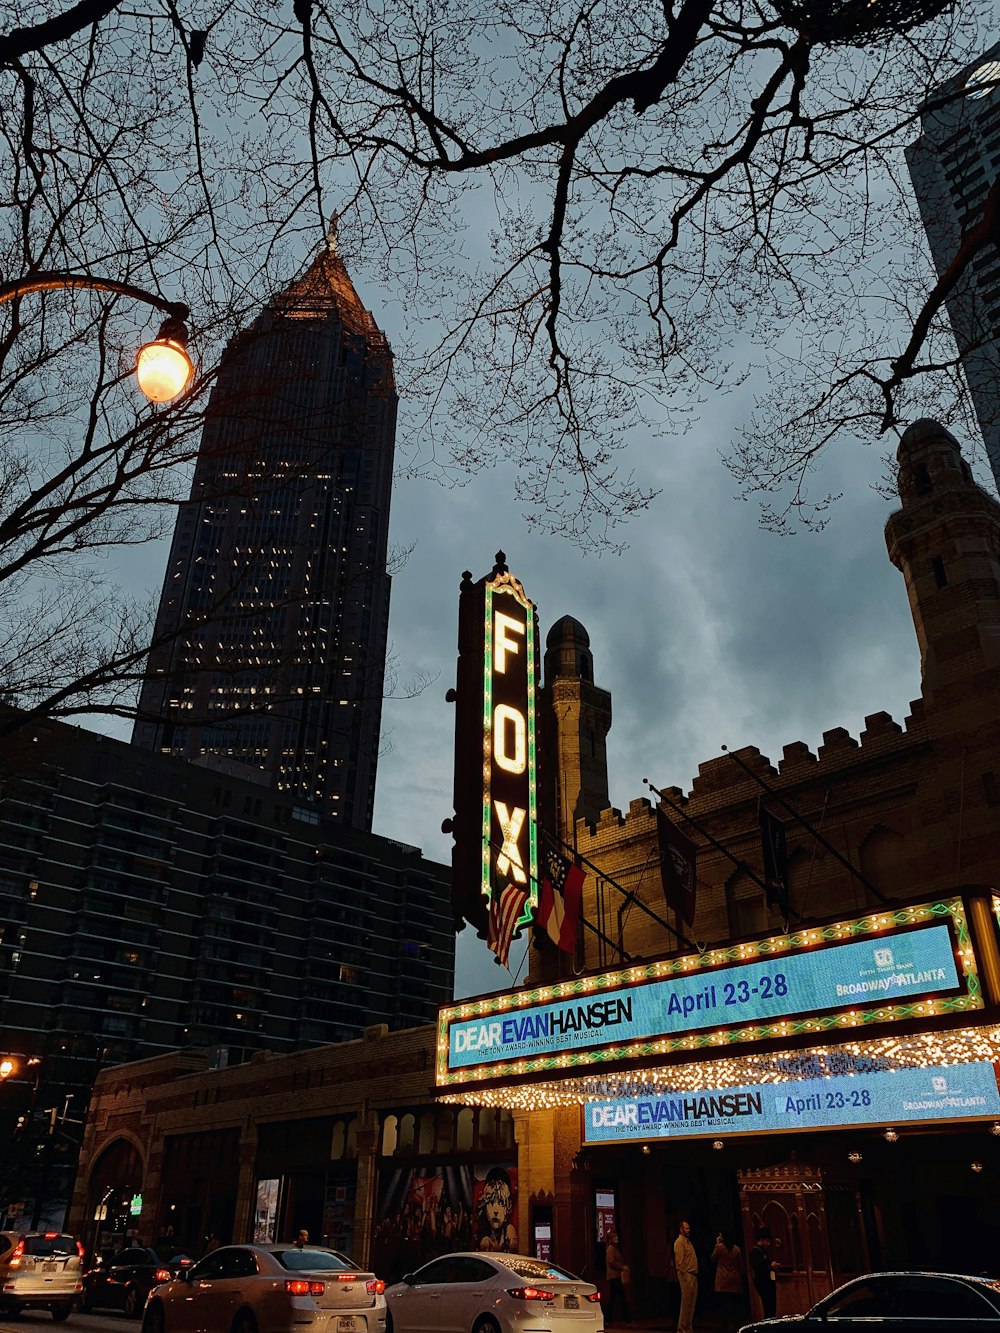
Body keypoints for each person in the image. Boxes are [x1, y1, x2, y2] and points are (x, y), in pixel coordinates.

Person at [478, 1166, 518, 1253]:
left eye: (501, 1203)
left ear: (508, 1206)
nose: (495, 1211)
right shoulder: (483, 1239)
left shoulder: (510, 1232)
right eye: (491, 1203)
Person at [710, 1229, 743, 1333]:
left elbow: (713, 1258)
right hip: (734, 1278)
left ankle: (724, 1326)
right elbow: (740, 1262)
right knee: (734, 1304)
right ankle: (736, 1325)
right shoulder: (736, 1249)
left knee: (724, 1304)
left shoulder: (719, 1247)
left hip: (722, 1279)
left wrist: (717, 1243)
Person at [674, 1219, 698, 1333]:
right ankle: (682, 1328)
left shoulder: (688, 1242)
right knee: (686, 1303)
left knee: (691, 1304)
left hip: (692, 1274)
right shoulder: (679, 1242)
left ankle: (688, 1327)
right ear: (681, 1229)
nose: (689, 1230)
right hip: (686, 1275)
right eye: (686, 1228)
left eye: (689, 1228)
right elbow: (680, 1262)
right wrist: (685, 1277)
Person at [749, 1229, 778, 1319]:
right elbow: (759, 1269)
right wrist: (770, 1267)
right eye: (767, 1241)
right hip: (763, 1283)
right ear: (761, 1240)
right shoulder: (755, 1253)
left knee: (772, 1307)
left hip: (769, 1283)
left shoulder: (764, 1251)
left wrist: (773, 1273)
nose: (768, 1244)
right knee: (768, 1307)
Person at [604, 1230, 632, 1326]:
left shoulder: (614, 1249)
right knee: (621, 1297)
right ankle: (627, 1319)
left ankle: (607, 1318)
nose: (617, 1238)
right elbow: (611, 1262)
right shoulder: (611, 1249)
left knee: (614, 1298)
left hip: (615, 1276)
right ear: (611, 1239)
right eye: (615, 1237)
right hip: (614, 1276)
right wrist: (622, 1267)